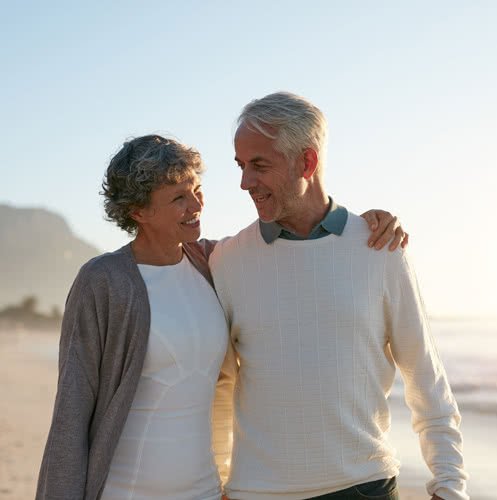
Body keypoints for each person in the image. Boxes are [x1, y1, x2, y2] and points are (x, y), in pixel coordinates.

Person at [36, 134, 405, 500]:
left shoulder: (212, 263)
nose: (195, 204)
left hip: (206, 492)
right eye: (178, 198)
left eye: (196, 189)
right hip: (125, 491)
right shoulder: (103, 281)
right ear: (138, 212)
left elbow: (291, 245)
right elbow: (72, 409)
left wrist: (363, 225)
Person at [209, 92, 468, 500]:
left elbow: (424, 375)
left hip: (364, 488)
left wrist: (450, 484)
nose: (245, 183)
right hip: (256, 493)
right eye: (241, 166)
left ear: (307, 162)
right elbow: (220, 386)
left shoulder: (379, 248)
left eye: (259, 165)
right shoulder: (224, 260)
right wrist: (218, 482)